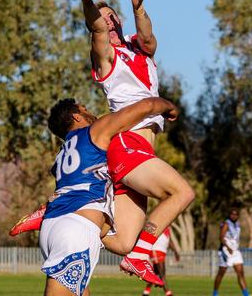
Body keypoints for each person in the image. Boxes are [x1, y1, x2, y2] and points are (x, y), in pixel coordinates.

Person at [71, 0, 195, 285]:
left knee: (123, 241)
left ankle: (63, 213)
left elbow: (150, 38)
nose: (107, 21)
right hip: (127, 144)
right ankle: (141, 258)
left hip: (137, 150)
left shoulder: (139, 47)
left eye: (112, 17)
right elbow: (96, 28)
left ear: (122, 23)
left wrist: (139, 8)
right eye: (102, 19)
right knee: (181, 192)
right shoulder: (106, 58)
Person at [40, 96, 179, 296]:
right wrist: (169, 107)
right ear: (76, 116)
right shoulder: (93, 132)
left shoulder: (62, 153)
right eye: (85, 108)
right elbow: (147, 106)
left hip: (56, 227)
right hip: (75, 230)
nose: (91, 112)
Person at [212, 209, 251, 296]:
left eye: (236, 214)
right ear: (229, 215)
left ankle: (246, 294)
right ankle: (215, 293)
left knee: (240, 273)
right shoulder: (226, 224)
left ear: (238, 216)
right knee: (221, 273)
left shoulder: (237, 225)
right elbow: (221, 238)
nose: (234, 216)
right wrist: (228, 247)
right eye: (232, 214)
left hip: (235, 251)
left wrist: (234, 247)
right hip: (225, 251)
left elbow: (235, 238)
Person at [142, 226, 181, 296]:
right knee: (162, 274)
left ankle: (145, 293)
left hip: (162, 251)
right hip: (156, 250)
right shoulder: (160, 223)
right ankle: (168, 293)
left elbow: (169, 241)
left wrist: (175, 252)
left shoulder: (167, 227)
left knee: (155, 273)